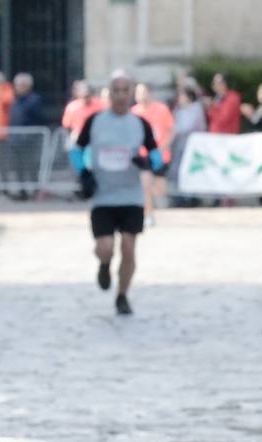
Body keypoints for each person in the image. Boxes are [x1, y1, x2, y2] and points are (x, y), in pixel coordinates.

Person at [71, 71, 166, 316]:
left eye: (126, 90)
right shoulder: (95, 121)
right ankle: (104, 264)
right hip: (103, 195)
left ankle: (122, 296)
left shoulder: (139, 123)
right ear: (109, 93)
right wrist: (84, 173)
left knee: (128, 246)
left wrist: (148, 162)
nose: (121, 95)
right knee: (105, 247)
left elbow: (155, 154)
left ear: (132, 94)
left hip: (132, 196)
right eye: (117, 90)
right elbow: (76, 150)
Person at [132, 82, 174, 225]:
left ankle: (153, 202)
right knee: (145, 186)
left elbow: (172, 130)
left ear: (149, 93)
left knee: (160, 190)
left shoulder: (161, 109)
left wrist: (165, 146)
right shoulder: (133, 112)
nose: (140, 96)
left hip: (159, 154)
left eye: (143, 92)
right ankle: (148, 215)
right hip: (142, 155)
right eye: (138, 93)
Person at [169, 85, 207, 207]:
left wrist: (174, 129)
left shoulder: (196, 109)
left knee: (192, 170)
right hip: (180, 145)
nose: (179, 98)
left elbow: (187, 127)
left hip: (193, 146)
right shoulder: (179, 111)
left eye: (182, 95)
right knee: (178, 170)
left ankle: (192, 197)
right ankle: (180, 196)